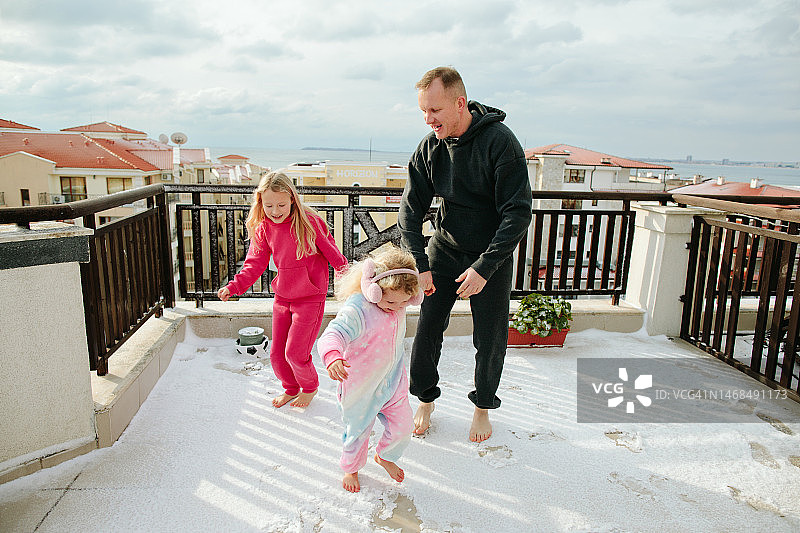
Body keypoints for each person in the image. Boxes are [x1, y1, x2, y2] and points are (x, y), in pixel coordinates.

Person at [398, 66, 533, 443]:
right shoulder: (430, 147)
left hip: (490, 256)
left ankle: (482, 407)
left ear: (459, 103)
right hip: (445, 249)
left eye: (435, 110)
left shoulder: (500, 142)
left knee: (490, 339)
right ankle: (425, 399)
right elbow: (410, 211)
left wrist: (485, 267)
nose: (429, 120)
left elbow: (518, 212)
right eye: (423, 111)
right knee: (428, 330)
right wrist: (420, 265)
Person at [218, 170, 347, 409]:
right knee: (277, 355)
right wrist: (234, 286)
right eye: (269, 206)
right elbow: (254, 264)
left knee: (296, 353)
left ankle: (309, 388)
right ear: (260, 203)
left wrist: (350, 285)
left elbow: (335, 256)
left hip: (310, 298)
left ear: (292, 200)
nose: (275, 211)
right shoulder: (264, 228)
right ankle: (290, 388)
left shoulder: (310, 223)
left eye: (281, 205)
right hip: (283, 297)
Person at [317, 246, 423, 492]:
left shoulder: (399, 300)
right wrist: (333, 357)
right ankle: (351, 468)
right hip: (360, 386)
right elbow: (334, 333)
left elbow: (404, 292)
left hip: (392, 381)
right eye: (389, 301)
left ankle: (385, 456)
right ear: (373, 289)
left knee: (403, 426)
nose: (396, 307)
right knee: (357, 432)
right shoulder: (358, 308)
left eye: (405, 302)